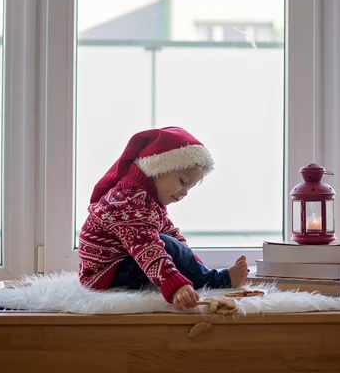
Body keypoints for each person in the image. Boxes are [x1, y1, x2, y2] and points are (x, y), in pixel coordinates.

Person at [78, 126, 249, 310]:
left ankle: (204, 275)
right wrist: (175, 285)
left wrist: (193, 263)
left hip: (121, 262)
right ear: (158, 169)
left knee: (171, 242)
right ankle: (218, 280)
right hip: (106, 273)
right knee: (164, 245)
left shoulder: (146, 200)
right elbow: (147, 246)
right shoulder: (129, 201)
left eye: (189, 188)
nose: (184, 192)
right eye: (182, 181)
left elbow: (171, 234)